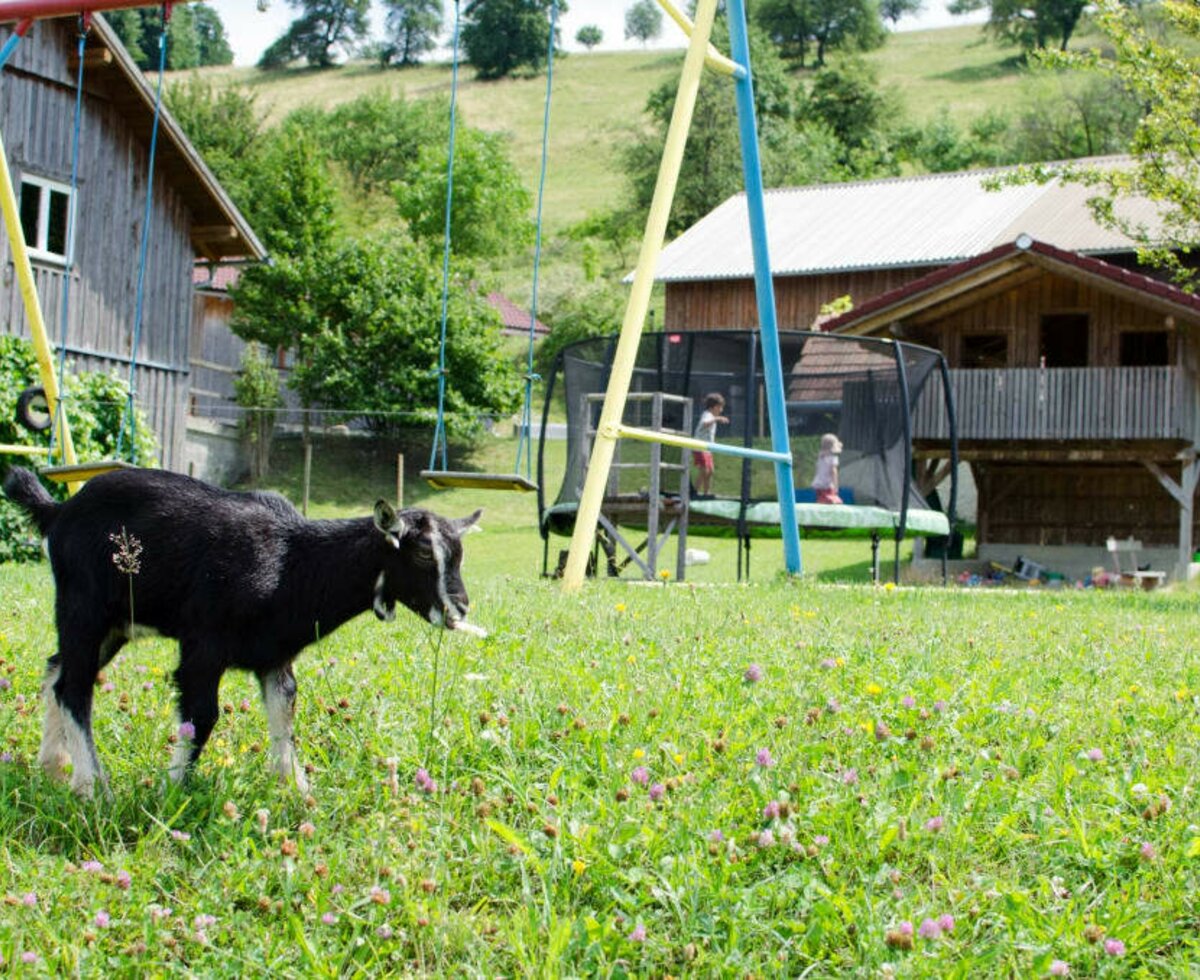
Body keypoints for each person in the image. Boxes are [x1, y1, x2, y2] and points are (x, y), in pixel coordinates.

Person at [692, 393, 729, 498]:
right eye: (720, 407)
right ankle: (695, 491)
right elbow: (705, 423)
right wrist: (718, 419)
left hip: (707, 449)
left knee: (710, 471)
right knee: (704, 470)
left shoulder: (712, 416)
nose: (721, 410)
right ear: (714, 407)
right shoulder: (707, 414)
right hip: (699, 447)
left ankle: (706, 493)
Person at [812, 433, 843, 504]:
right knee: (835, 501)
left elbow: (818, 469)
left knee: (821, 498)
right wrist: (836, 485)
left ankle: (822, 503)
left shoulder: (821, 457)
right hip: (827, 484)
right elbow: (834, 471)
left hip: (818, 483)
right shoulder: (833, 458)